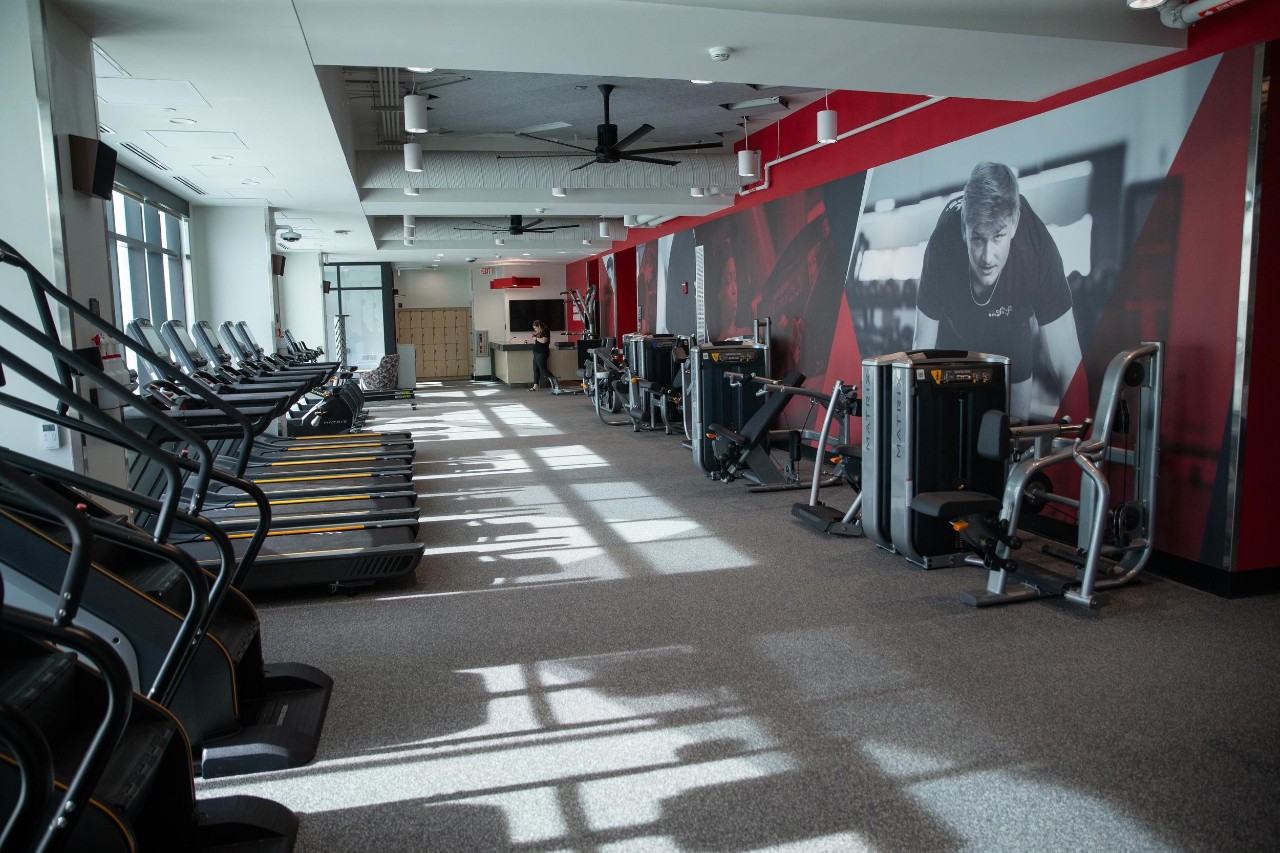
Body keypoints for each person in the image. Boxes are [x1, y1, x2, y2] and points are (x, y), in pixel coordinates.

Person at [912, 161, 1083, 422]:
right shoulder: (942, 243)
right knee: (944, 428)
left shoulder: (1037, 247)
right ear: (963, 230)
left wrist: (1076, 450)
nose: (987, 257)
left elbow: (1068, 362)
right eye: (978, 239)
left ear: (1013, 225)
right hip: (955, 333)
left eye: (999, 237)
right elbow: (921, 344)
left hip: (1011, 331)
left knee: (1015, 437)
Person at [530, 319, 556, 391]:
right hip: (536, 353)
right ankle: (535, 386)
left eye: (535, 328)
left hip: (542, 353)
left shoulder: (545, 331)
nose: (535, 329)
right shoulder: (539, 333)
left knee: (543, 369)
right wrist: (535, 337)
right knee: (535, 369)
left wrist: (535, 338)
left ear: (539, 326)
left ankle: (555, 384)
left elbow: (544, 340)